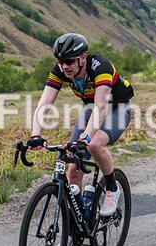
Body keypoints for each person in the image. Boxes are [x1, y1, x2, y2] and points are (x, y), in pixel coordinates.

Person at [26, 33, 134, 217]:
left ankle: (112, 187)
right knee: (72, 166)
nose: (64, 66)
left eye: (69, 61)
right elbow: (44, 104)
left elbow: (101, 108)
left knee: (93, 144)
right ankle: (74, 224)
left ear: (82, 58)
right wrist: (36, 134)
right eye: (60, 61)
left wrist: (85, 137)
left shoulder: (101, 67)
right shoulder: (60, 70)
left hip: (116, 108)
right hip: (90, 110)